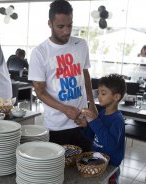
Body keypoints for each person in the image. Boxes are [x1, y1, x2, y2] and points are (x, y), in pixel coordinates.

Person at [28, 0, 97, 151]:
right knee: (60, 170)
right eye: (60, 27)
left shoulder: (81, 45)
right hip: (56, 126)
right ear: (49, 23)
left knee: (85, 165)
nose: (66, 31)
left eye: (70, 25)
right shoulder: (40, 53)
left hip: (83, 121)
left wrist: (92, 105)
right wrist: (64, 109)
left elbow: (85, 75)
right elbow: (39, 91)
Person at [76, 74, 126, 184]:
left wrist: (94, 121)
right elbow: (92, 135)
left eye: (103, 93)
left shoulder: (118, 120)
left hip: (110, 166)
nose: (99, 96)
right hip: (97, 162)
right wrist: (85, 126)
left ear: (116, 97)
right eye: (98, 92)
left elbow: (111, 144)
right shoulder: (102, 113)